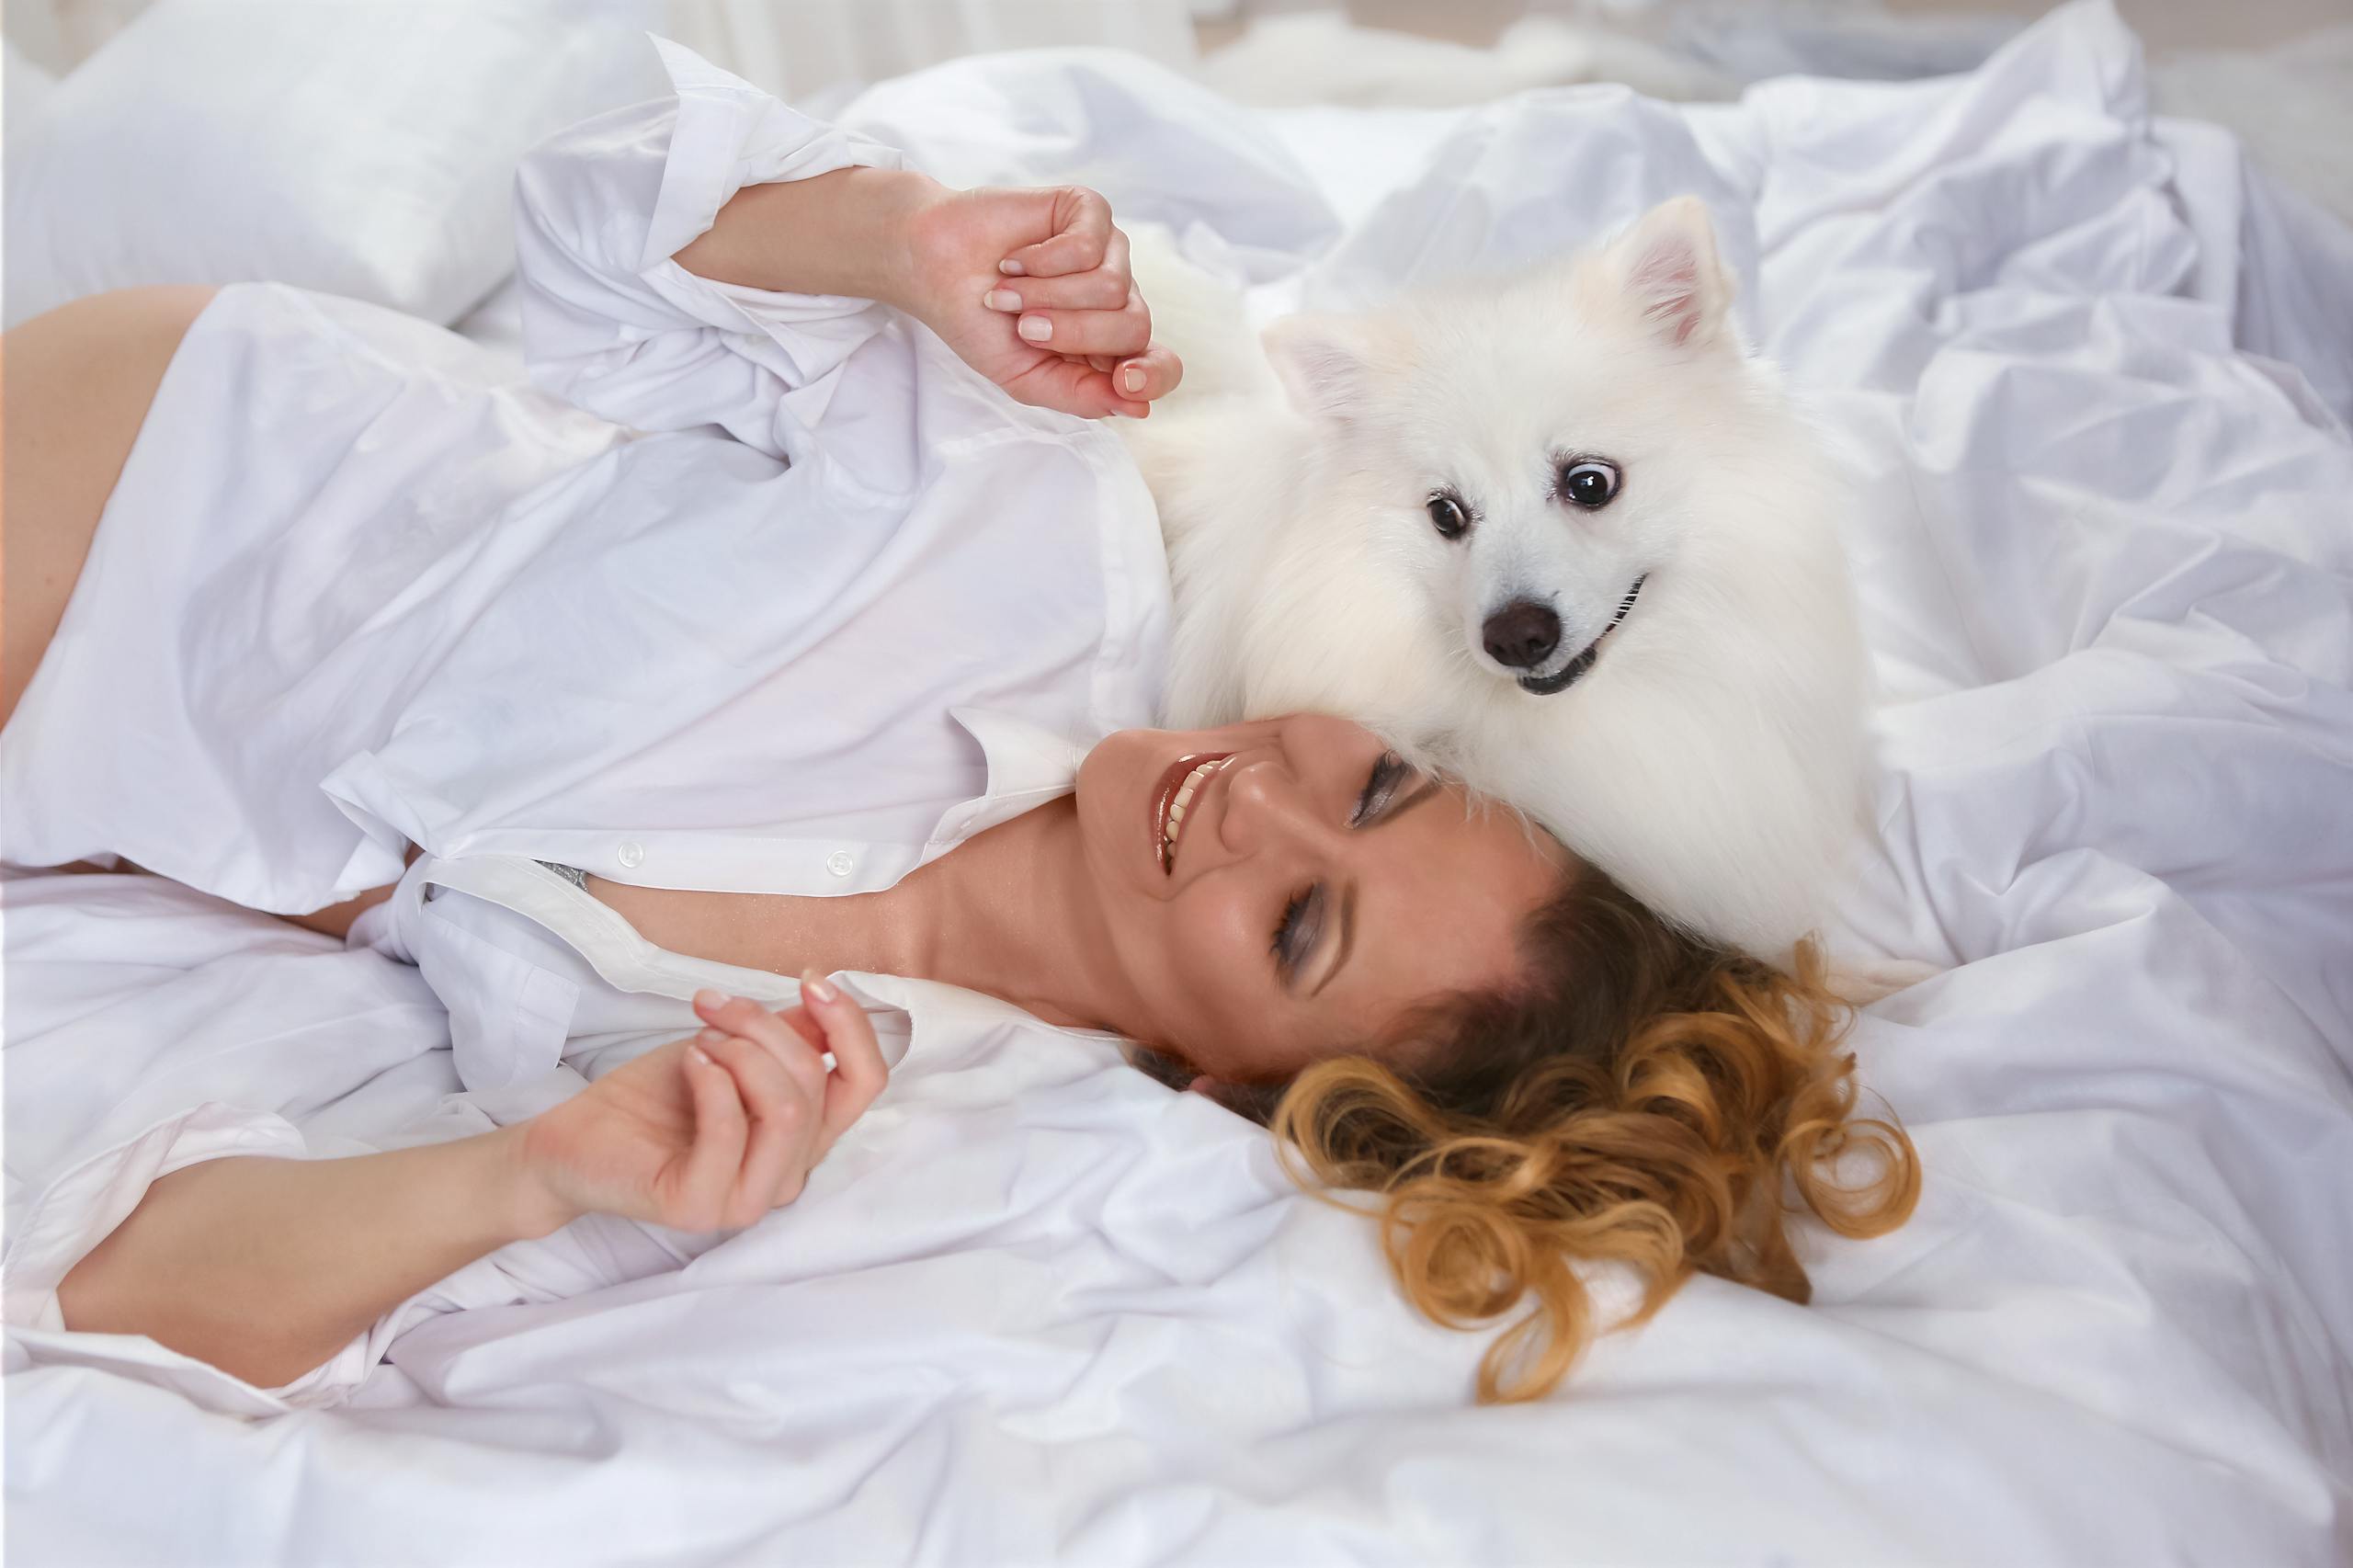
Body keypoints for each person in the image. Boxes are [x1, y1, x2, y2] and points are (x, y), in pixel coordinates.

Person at [0, 42, 1915, 1405]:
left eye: (1296, 923)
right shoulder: (1033, 523)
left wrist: (527, 1177)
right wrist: (888, 240)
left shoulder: (868, 1109)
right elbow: (592, 230)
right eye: (1381, 781)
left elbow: (116, 1286)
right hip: (138, 470)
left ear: (1228, 1081)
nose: (1261, 801)